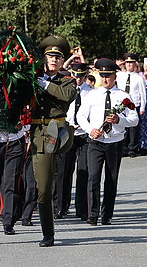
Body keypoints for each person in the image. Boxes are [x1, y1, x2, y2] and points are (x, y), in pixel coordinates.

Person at [77, 58, 139, 226]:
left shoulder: (123, 96)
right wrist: (90, 129)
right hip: (96, 141)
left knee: (111, 179)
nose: (105, 79)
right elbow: (80, 116)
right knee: (93, 177)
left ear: (114, 76)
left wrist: (120, 120)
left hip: (115, 142)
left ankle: (107, 214)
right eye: (102, 75)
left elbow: (134, 119)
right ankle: (93, 214)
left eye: (108, 76)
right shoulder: (92, 94)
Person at [31, 35, 76, 247]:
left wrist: (43, 84)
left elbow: (65, 96)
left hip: (57, 130)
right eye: (50, 56)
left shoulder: (67, 80)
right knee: (44, 186)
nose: (54, 60)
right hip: (37, 132)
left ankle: (48, 234)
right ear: (44, 58)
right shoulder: (32, 77)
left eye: (58, 57)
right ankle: (47, 232)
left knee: (54, 177)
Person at [62, 62, 93, 221]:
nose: (78, 79)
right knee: (63, 172)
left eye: (81, 76)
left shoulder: (91, 92)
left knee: (84, 171)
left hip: (84, 134)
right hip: (67, 133)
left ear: (86, 75)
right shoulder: (65, 89)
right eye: (75, 75)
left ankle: (82, 209)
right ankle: (60, 206)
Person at [116, 53, 146, 157]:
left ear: (135, 64)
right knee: (122, 126)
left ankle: (132, 148)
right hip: (122, 104)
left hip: (134, 104)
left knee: (133, 127)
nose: (129, 65)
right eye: (127, 63)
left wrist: (142, 107)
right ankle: (123, 148)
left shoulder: (139, 78)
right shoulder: (120, 76)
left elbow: (143, 93)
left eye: (131, 63)